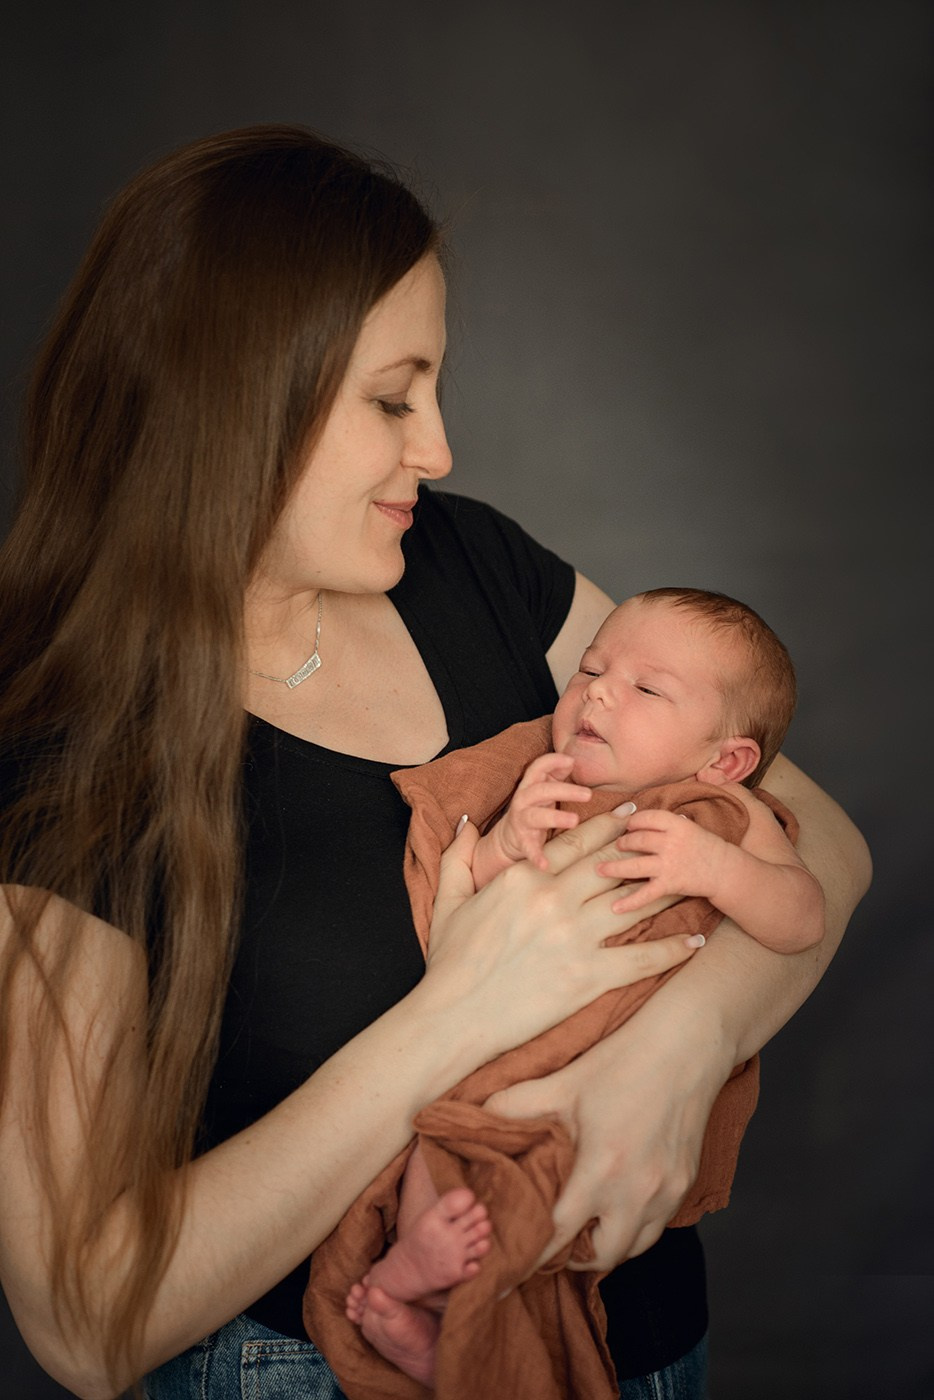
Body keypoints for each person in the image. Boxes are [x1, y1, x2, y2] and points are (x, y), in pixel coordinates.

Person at [0, 125, 870, 1400]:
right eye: (394, 397)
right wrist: (460, 1008)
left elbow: (826, 843)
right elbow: (83, 1322)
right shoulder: (67, 752)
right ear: (242, 394)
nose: (440, 449)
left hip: (650, 1357)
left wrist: (679, 1045)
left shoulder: (470, 567)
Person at [334, 587, 823, 1393]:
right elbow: (468, 904)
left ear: (724, 760)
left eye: (645, 687)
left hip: (605, 1066)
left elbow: (801, 916)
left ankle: (460, 1318)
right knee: (446, 1137)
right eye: (591, 668)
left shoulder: (728, 814)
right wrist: (505, 843)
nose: (595, 689)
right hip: (505, 1044)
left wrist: (715, 868)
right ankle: (408, 1284)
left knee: (552, 1188)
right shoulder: (541, 783)